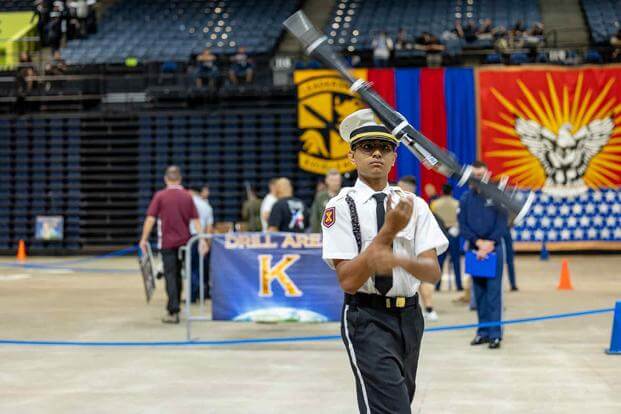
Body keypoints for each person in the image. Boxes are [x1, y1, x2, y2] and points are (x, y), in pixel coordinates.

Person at [322, 109, 448, 413]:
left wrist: (398, 260)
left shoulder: (414, 205)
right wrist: (389, 230)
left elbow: (432, 272)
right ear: (352, 156)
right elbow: (349, 280)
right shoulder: (340, 208)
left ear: (394, 157)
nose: (377, 153)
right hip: (367, 317)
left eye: (385, 147)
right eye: (367, 147)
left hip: (410, 318)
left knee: (399, 401)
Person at [139, 166, 207, 324]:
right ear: (180, 179)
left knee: (170, 275)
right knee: (179, 274)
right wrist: (202, 239)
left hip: (167, 243)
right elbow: (196, 220)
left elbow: (151, 218)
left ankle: (173, 309)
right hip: (185, 242)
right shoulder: (187, 196)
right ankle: (176, 305)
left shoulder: (160, 196)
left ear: (165, 179)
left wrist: (144, 238)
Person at [458, 160, 508, 349]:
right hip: (475, 249)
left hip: (493, 249)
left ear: (487, 175)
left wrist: (489, 244)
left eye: (480, 175)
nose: (477, 179)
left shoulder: (496, 196)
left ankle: (495, 334)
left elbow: (502, 224)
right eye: (474, 176)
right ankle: (483, 332)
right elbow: (463, 225)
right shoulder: (465, 199)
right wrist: (478, 243)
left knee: (494, 294)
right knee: (478, 294)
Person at [397, 175, 439, 322]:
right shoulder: (421, 204)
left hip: (406, 251)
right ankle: (429, 308)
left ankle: (427, 308)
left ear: (401, 185)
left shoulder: (399, 204)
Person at [431, 184, 463, 291]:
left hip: (441, 234)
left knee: (440, 261)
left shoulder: (435, 204)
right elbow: (460, 219)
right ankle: (459, 285)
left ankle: (437, 285)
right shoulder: (457, 204)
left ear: (442, 191)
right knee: (456, 261)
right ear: (451, 192)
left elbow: (432, 219)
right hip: (453, 233)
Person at [189, 185, 214, 301]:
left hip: (191, 238)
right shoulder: (206, 206)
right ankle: (203, 293)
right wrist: (208, 242)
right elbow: (209, 226)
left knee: (192, 267)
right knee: (202, 267)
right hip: (202, 237)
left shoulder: (189, 203)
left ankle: (193, 295)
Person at [310, 169, 342, 233]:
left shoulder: (345, 196)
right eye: (332, 180)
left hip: (340, 233)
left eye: (337, 180)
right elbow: (314, 217)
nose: (335, 183)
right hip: (323, 234)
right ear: (326, 181)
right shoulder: (320, 197)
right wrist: (315, 233)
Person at [502, 225, 518, 291]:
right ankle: (513, 284)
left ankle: (513, 284)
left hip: (503, 229)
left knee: (509, 260)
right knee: (509, 260)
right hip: (504, 228)